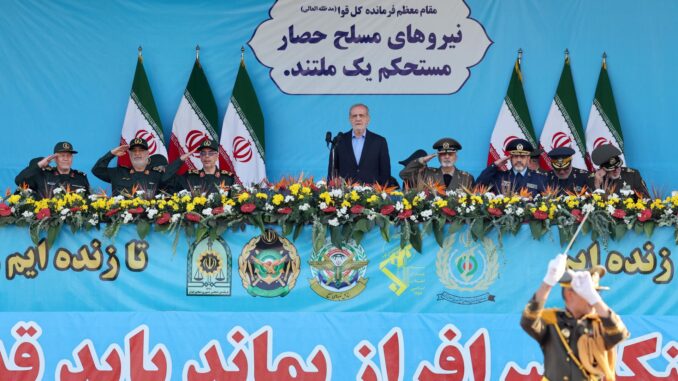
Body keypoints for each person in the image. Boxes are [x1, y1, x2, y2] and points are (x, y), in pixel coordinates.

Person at [521, 254, 629, 381]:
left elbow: (620, 333)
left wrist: (595, 299)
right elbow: (528, 320)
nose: (592, 298)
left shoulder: (599, 325)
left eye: (595, 292)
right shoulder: (552, 321)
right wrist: (548, 283)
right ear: (569, 294)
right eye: (586, 292)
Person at [92, 138, 190, 196]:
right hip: (121, 227)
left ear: (148, 153)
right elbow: (97, 170)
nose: (137, 153)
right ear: (129, 153)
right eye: (134, 151)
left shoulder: (157, 175)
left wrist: (180, 161)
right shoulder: (119, 173)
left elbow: (175, 182)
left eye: (141, 150)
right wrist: (111, 154)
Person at [328, 104, 391, 185]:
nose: (358, 119)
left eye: (361, 115)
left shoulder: (379, 141)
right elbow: (332, 170)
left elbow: (385, 172)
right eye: (354, 116)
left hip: (372, 195)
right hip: (345, 194)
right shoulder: (339, 140)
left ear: (368, 119)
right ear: (350, 119)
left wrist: (384, 193)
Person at [15, 141, 89, 199]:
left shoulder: (81, 177)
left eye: (69, 156)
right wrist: (39, 165)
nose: (66, 159)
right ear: (55, 159)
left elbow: (88, 201)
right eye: (62, 155)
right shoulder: (43, 175)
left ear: (72, 158)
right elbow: (19, 181)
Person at [476, 139, 547, 196]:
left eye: (522, 157)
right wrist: (494, 166)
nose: (519, 160)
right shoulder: (499, 177)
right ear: (510, 158)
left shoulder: (539, 179)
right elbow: (478, 186)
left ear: (528, 158)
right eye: (515, 156)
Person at [399, 138, 474, 190]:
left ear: (456, 157)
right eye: (443, 154)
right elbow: (404, 174)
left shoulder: (467, 178)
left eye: (450, 154)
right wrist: (421, 160)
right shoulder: (427, 174)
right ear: (438, 157)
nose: (447, 157)